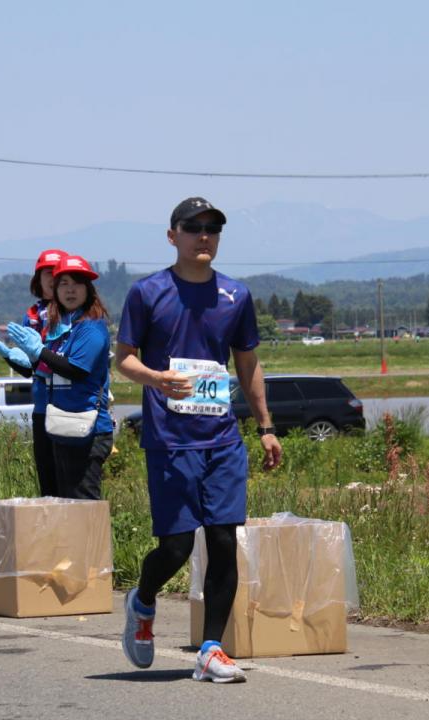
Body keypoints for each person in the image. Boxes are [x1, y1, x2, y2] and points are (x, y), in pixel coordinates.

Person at [115, 197, 282, 684]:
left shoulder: (235, 295)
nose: (203, 235)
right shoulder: (148, 292)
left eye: (212, 228)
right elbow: (122, 358)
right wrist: (155, 378)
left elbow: (248, 364)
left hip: (222, 437)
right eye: (193, 227)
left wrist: (266, 427)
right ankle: (142, 601)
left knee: (224, 541)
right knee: (175, 546)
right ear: (173, 236)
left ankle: (211, 650)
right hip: (169, 438)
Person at [7, 254, 113, 500]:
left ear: (88, 289)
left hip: (88, 428)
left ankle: (91, 541)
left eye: (77, 283)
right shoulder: (64, 327)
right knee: (62, 501)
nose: (70, 290)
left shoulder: (91, 326)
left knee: (83, 503)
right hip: (63, 425)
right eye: (63, 283)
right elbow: (44, 370)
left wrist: (40, 352)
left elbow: (76, 369)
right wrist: (16, 356)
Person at [0, 248, 64, 496]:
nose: (52, 278)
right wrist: (5, 352)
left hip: (69, 406)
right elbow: (30, 369)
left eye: (57, 273)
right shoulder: (33, 316)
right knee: (47, 482)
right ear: (38, 278)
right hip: (41, 408)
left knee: (70, 481)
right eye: (47, 273)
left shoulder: (75, 314)